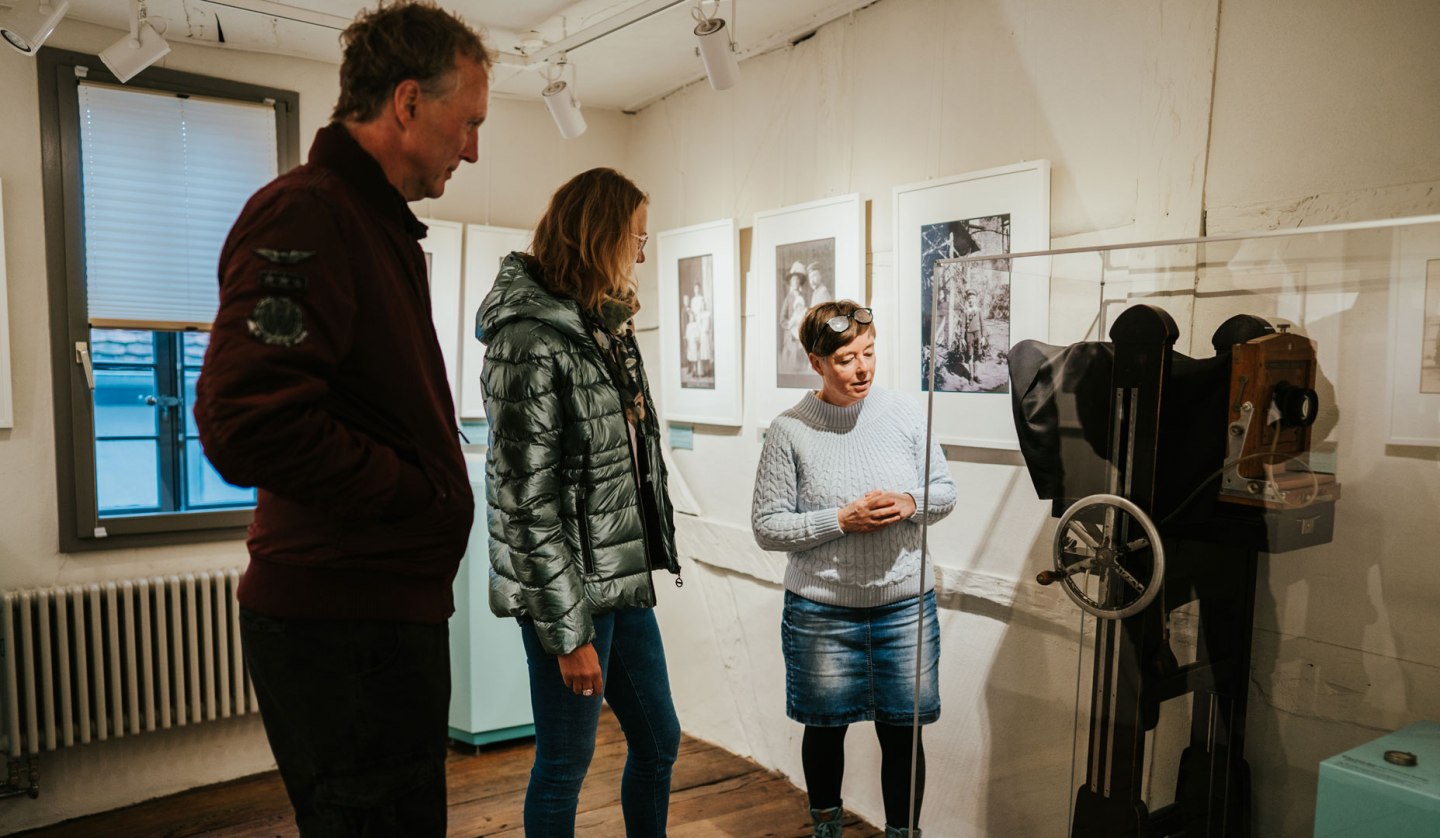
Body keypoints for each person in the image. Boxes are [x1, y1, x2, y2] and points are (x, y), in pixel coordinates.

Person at [192, 3, 490, 834]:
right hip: (343, 628)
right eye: (467, 123)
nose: (473, 147)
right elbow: (246, 421)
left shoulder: (370, 222)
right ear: (406, 105)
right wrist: (412, 493)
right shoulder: (309, 213)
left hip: (375, 617)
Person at [477, 167, 683, 837]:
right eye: (636, 238)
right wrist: (569, 635)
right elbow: (524, 501)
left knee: (658, 742)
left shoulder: (604, 329)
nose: (643, 254)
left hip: (619, 577)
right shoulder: (528, 339)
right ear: (600, 237)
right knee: (566, 762)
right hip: (568, 593)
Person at [751, 300, 956, 838]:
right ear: (816, 363)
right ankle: (826, 830)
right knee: (824, 729)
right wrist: (840, 519)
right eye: (846, 359)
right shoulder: (789, 431)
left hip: (904, 606)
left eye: (869, 354)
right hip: (822, 611)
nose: (862, 369)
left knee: (903, 734)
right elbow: (768, 527)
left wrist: (911, 502)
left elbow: (945, 492)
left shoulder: (906, 413)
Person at [780, 263, 810, 373]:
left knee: (802, 362)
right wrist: (790, 324)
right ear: (791, 283)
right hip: (790, 336)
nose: (795, 282)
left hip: (802, 334)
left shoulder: (804, 297)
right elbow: (782, 319)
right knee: (790, 362)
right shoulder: (788, 298)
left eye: (797, 280)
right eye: (793, 280)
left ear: (800, 282)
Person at [685, 279, 712, 381]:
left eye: (698, 288)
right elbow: (692, 313)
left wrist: (701, 318)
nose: (696, 290)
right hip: (696, 323)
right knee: (696, 349)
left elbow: (702, 311)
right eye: (695, 289)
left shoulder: (701, 299)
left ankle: (705, 370)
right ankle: (697, 370)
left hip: (702, 324)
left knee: (704, 349)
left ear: (700, 289)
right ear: (694, 289)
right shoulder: (692, 300)